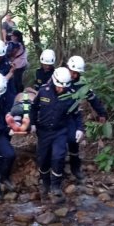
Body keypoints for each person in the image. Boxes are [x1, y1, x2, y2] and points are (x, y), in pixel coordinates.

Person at [30, 67, 84, 204]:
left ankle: (55, 185)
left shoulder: (71, 94)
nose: (61, 90)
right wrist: (32, 123)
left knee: (58, 156)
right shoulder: (43, 91)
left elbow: (76, 114)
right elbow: (34, 108)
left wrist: (79, 129)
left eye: (63, 88)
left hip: (60, 131)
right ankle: (45, 182)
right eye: (59, 87)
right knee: (43, 158)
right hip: (44, 131)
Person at [66, 55, 107, 182]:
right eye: (72, 72)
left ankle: (75, 168)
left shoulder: (81, 83)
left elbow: (93, 99)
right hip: (56, 115)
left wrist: (102, 114)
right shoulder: (59, 77)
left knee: (74, 142)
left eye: (76, 73)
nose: (74, 75)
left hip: (72, 115)